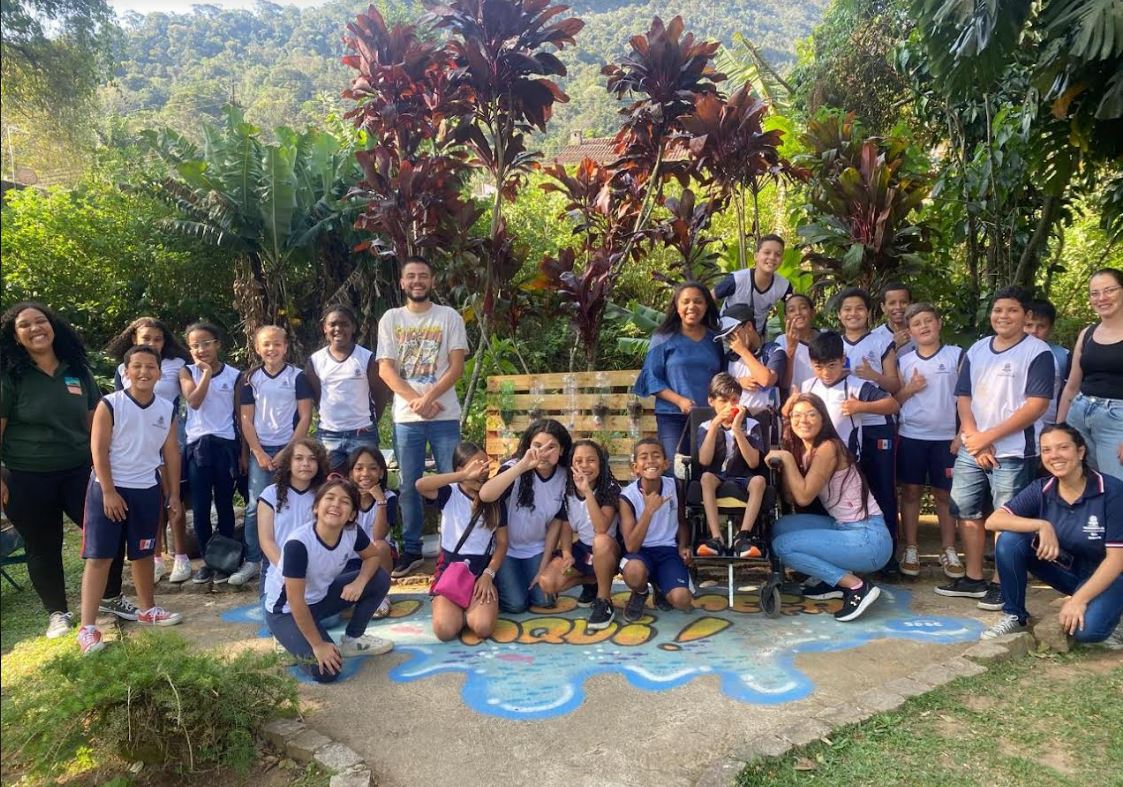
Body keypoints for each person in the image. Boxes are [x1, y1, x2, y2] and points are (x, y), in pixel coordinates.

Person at [0, 303, 122, 638]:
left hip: (80, 471)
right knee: (43, 545)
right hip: (25, 475)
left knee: (108, 531)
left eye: (41, 321)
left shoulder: (76, 370)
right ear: (15, 335)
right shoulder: (10, 376)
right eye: (25, 325)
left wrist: (109, 463)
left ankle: (112, 598)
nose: (35, 328)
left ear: (54, 326)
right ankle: (58, 613)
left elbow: (96, 421)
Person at [940, 287, 1054, 610]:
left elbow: (1036, 406)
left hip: (1014, 452)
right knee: (967, 510)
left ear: (1026, 316)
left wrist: (987, 437)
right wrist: (974, 438)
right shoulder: (977, 350)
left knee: (1007, 517)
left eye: (1011, 311)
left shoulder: (1037, 352)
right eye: (998, 310)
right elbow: (964, 396)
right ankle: (974, 578)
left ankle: (1002, 582)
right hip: (973, 447)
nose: (1003, 316)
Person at [78, 346, 184, 654]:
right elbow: (98, 450)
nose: (143, 372)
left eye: (150, 366)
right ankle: (87, 628)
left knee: (143, 553)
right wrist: (109, 491)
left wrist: (173, 493)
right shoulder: (110, 404)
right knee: (100, 557)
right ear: (126, 372)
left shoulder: (166, 408)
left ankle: (147, 609)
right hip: (107, 489)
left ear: (159, 373)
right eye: (136, 366)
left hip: (146, 489)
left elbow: (170, 453)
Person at [981, 424, 1122, 649]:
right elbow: (994, 520)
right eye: (1046, 450)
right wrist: (1041, 525)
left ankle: (1108, 611)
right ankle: (1014, 616)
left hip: (1112, 576)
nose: (1054, 455)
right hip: (1072, 572)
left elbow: (1117, 560)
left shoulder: (1112, 491)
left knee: (1086, 632)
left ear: (1081, 451)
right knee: (1010, 540)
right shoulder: (1042, 488)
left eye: (1063, 447)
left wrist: (1078, 600)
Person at [377, 256, 469, 579]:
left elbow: (457, 366)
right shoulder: (390, 319)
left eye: (423, 276)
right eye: (411, 276)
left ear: (432, 281)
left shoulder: (449, 317)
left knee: (453, 482)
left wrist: (429, 397)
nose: (417, 281)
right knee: (408, 485)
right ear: (402, 283)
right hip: (406, 417)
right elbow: (386, 369)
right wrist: (418, 401)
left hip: (445, 416)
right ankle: (412, 550)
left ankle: (454, 546)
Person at [765, 394, 893, 621]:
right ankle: (830, 582)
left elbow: (803, 497)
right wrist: (788, 456)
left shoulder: (828, 448)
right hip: (844, 527)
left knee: (782, 546)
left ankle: (855, 586)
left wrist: (785, 457)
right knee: (781, 528)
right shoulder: (805, 450)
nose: (803, 420)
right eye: (796, 415)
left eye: (811, 414)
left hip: (869, 539)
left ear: (823, 418)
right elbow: (790, 496)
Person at [262, 478, 394, 683]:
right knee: (327, 671)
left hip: (319, 600)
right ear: (316, 507)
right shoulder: (299, 544)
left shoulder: (352, 531)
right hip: (286, 612)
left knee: (378, 578)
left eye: (345, 501)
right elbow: (295, 602)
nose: (335, 505)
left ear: (352, 514)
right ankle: (287, 639)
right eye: (329, 498)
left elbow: (373, 556)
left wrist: (359, 581)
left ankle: (353, 639)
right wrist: (318, 646)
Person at [107, 317, 193, 583]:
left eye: (158, 339)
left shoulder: (177, 365)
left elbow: (189, 397)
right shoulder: (124, 367)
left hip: (170, 438)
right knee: (150, 501)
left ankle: (181, 556)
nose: (152, 343)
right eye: (146, 339)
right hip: (138, 444)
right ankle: (155, 557)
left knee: (173, 498)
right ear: (134, 340)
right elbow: (120, 407)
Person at [231, 326, 314, 587]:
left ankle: (297, 556)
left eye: (277, 344)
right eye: (266, 344)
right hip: (262, 451)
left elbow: (305, 416)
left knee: (294, 503)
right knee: (256, 506)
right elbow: (246, 418)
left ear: (286, 347)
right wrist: (258, 452)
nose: (272, 349)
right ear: (257, 348)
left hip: (290, 449)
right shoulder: (250, 379)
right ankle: (254, 560)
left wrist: (289, 450)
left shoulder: (297, 377)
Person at [895, 304, 964, 578]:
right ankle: (911, 547)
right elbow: (894, 401)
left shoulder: (956, 356)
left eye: (928, 321)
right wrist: (909, 389)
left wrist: (962, 433)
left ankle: (948, 549)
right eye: (917, 324)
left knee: (944, 495)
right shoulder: (903, 362)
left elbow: (969, 398)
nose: (923, 327)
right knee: (911, 492)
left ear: (939, 323)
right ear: (909, 331)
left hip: (947, 437)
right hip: (911, 435)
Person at [836, 287, 902, 576]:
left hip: (877, 428)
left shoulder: (881, 341)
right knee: (848, 493)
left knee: (883, 490)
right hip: (844, 428)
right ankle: (852, 554)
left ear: (869, 312)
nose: (853, 313)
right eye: (847, 309)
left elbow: (895, 387)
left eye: (859, 308)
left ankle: (889, 559)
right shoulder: (832, 344)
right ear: (838, 315)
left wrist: (872, 376)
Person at [417, 443, 508, 642]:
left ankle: (472, 607)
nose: (482, 472)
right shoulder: (449, 492)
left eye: (486, 466)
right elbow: (421, 485)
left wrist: (488, 574)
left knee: (483, 627)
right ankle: (453, 605)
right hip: (451, 571)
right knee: (445, 630)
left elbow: (502, 543)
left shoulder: (493, 496)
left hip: (480, 572)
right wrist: (462, 476)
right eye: (476, 467)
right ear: (460, 469)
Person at [479, 419, 571, 613]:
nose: (543, 453)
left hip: (537, 549)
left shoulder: (565, 477)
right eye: (537, 446)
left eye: (551, 447)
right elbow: (486, 495)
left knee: (544, 600)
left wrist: (543, 567)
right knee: (516, 604)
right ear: (528, 446)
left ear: (562, 450)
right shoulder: (514, 468)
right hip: (506, 550)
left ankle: (523, 580)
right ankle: (498, 582)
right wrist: (522, 466)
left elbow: (556, 525)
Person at [178, 322, 242, 584]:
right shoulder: (187, 371)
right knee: (201, 507)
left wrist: (243, 453)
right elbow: (193, 400)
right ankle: (207, 560)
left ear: (217, 344)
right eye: (195, 345)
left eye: (206, 343)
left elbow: (239, 415)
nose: (201, 349)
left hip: (226, 445)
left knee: (226, 504)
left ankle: (224, 561)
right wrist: (204, 374)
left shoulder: (234, 375)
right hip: (198, 448)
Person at [634, 281, 725, 466]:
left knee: (707, 470)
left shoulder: (715, 339)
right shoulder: (663, 337)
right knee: (675, 471)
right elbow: (651, 378)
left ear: (706, 305)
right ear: (677, 307)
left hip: (708, 417)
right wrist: (680, 401)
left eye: (698, 301)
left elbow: (723, 378)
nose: (692, 306)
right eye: (686, 302)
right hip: (671, 417)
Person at [538, 440, 621, 631]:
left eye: (591, 460)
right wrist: (567, 552)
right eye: (579, 461)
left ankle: (604, 599)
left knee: (600, 540)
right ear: (571, 464)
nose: (584, 465)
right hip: (584, 550)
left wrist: (588, 492)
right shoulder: (568, 488)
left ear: (601, 463)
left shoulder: (609, 487)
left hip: (607, 551)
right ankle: (592, 581)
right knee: (547, 582)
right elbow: (566, 525)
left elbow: (601, 528)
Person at [784, 331, 899, 465]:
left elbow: (893, 405)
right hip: (815, 458)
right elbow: (787, 414)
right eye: (819, 367)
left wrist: (860, 407)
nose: (826, 373)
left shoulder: (855, 386)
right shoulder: (808, 386)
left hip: (846, 460)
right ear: (811, 363)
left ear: (843, 360)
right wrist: (790, 402)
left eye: (832, 365)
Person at [305, 305, 390, 471]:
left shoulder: (366, 358)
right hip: (328, 434)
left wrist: (370, 421)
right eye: (333, 324)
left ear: (353, 327)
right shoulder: (315, 360)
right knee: (330, 486)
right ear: (325, 328)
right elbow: (316, 396)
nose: (338, 329)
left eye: (344, 324)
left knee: (365, 484)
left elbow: (380, 394)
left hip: (362, 433)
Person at [1057, 268, 1123, 481]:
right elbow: (1072, 385)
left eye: (1109, 290)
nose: (1101, 298)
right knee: (1085, 484)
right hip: (1079, 412)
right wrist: (1059, 429)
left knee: (1115, 488)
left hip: (1117, 419)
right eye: (1095, 293)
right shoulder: (1088, 333)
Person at [618, 438, 693, 623]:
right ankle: (640, 592)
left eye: (656, 456)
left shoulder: (675, 486)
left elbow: (682, 521)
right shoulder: (627, 496)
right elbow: (631, 546)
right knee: (634, 574)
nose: (651, 461)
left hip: (668, 551)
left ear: (666, 463)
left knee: (682, 601)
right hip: (640, 553)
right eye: (644, 457)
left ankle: (660, 586)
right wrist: (648, 511)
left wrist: (684, 546)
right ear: (636, 467)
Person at [695, 373, 768, 559]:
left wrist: (737, 430)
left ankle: (743, 536)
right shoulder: (705, 426)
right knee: (705, 478)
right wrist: (715, 425)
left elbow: (753, 462)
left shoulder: (751, 425)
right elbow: (704, 460)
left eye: (734, 401)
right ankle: (716, 537)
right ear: (711, 401)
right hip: (717, 476)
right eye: (723, 401)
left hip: (743, 475)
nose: (729, 406)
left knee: (759, 481)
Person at [257, 438, 328, 587]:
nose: (305, 464)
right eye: (299, 458)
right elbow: (267, 541)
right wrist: (289, 571)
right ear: (289, 463)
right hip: (278, 572)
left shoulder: (326, 495)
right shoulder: (270, 494)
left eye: (312, 459)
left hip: (317, 572)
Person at [347, 446, 397, 618]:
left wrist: (380, 501)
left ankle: (381, 595)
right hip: (350, 557)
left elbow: (378, 535)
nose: (365, 473)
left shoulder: (389, 497)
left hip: (378, 556)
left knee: (380, 545)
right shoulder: (344, 498)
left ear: (381, 473)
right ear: (351, 473)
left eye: (373, 468)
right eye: (359, 468)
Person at [712, 233, 792, 334]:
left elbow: (794, 307)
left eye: (778, 254)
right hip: (728, 336)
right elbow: (710, 297)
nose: (772, 257)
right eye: (767, 252)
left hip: (756, 338)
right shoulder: (737, 279)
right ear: (756, 256)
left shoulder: (784, 286)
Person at [720, 303, 787, 412]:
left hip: (768, 423)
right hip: (738, 421)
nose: (732, 341)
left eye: (734, 334)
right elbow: (720, 388)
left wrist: (743, 351)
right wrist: (738, 383)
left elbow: (766, 380)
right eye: (728, 337)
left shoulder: (772, 351)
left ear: (749, 326)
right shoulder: (729, 358)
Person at [1024, 299, 1070, 425]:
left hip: (1048, 426)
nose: (1034, 331)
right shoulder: (1005, 355)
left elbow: (1070, 392)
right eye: (1028, 325)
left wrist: (1061, 425)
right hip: (1008, 427)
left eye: (1041, 326)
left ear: (1051, 328)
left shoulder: (1063, 356)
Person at [779, 294, 818, 396]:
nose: (798, 313)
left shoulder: (826, 337)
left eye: (803, 308)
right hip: (795, 401)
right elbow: (782, 382)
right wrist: (791, 349)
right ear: (785, 318)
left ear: (813, 312)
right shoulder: (781, 341)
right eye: (792, 310)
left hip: (823, 400)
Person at [871, 282, 914, 356]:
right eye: (892, 303)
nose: (898, 307)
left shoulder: (921, 333)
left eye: (903, 302)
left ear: (911, 304)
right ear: (883, 307)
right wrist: (894, 346)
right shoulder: (874, 337)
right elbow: (872, 366)